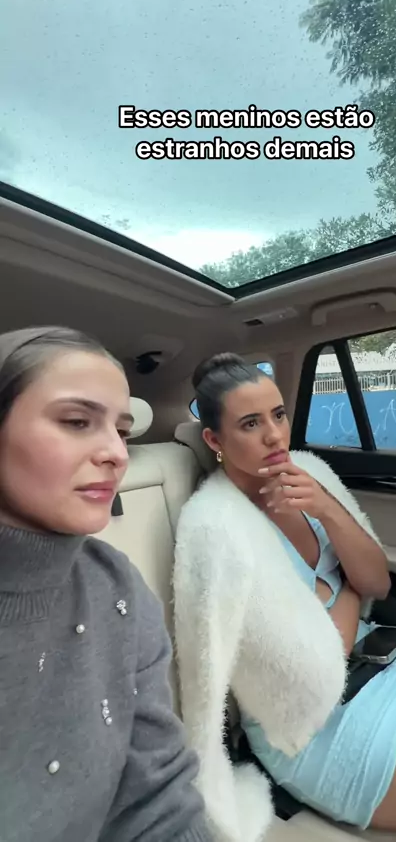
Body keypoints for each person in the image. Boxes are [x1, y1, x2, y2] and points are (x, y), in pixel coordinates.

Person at [175, 352, 396, 838]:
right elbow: (314, 667)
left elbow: (376, 582)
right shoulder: (216, 527)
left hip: (377, 653)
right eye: (250, 423)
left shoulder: (307, 473)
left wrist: (329, 509)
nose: (275, 435)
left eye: (278, 415)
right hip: (311, 723)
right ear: (214, 440)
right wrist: (350, 594)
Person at [0, 326, 212, 842]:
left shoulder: (117, 586)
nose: (117, 453)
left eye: (122, 431)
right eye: (77, 422)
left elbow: (158, 798)